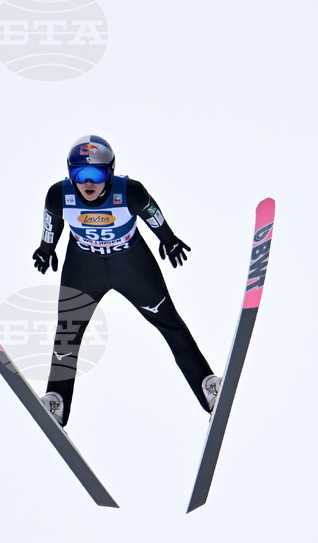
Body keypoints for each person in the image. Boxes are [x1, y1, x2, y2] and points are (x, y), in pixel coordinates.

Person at [33, 135, 220, 426]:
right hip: (84, 267)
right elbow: (51, 221)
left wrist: (168, 240)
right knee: (68, 332)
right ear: (70, 175)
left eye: (97, 173)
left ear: (110, 172)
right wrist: (46, 249)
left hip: (131, 264)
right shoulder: (59, 196)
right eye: (80, 175)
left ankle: (207, 386)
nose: (88, 183)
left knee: (169, 321)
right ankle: (56, 401)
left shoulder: (129, 192)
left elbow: (152, 214)